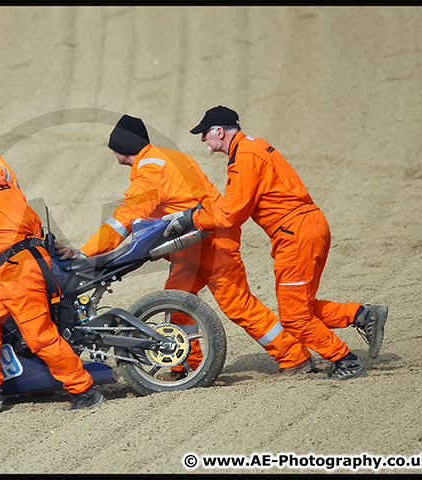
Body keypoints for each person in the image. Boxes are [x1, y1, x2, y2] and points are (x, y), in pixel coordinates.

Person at [56, 114, 314, 379]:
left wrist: (85, 254)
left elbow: (124, 220)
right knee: (177, 305)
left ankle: (294, 357)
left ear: (118, 149)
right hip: (198, 246)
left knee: (238, 304)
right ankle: (186, 367)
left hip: (210, 244)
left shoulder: (151, 171)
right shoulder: (168, 157)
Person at [164, 105, 388, 380]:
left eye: (205, 134)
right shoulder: (254, 148)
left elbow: (230, 214)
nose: (203, 140)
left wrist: (193, 219)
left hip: (295, 235)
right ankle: (362, 315)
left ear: (219, 132)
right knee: (299, 307)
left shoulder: (244, 158)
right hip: (309, 227)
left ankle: (345, 361)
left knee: (294, 317)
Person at [0, 144, 104, 411]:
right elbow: (34, 223)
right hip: (29, 264)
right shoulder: (3, 184)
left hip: (15, 273)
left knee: (40, 336)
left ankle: (84, 390)